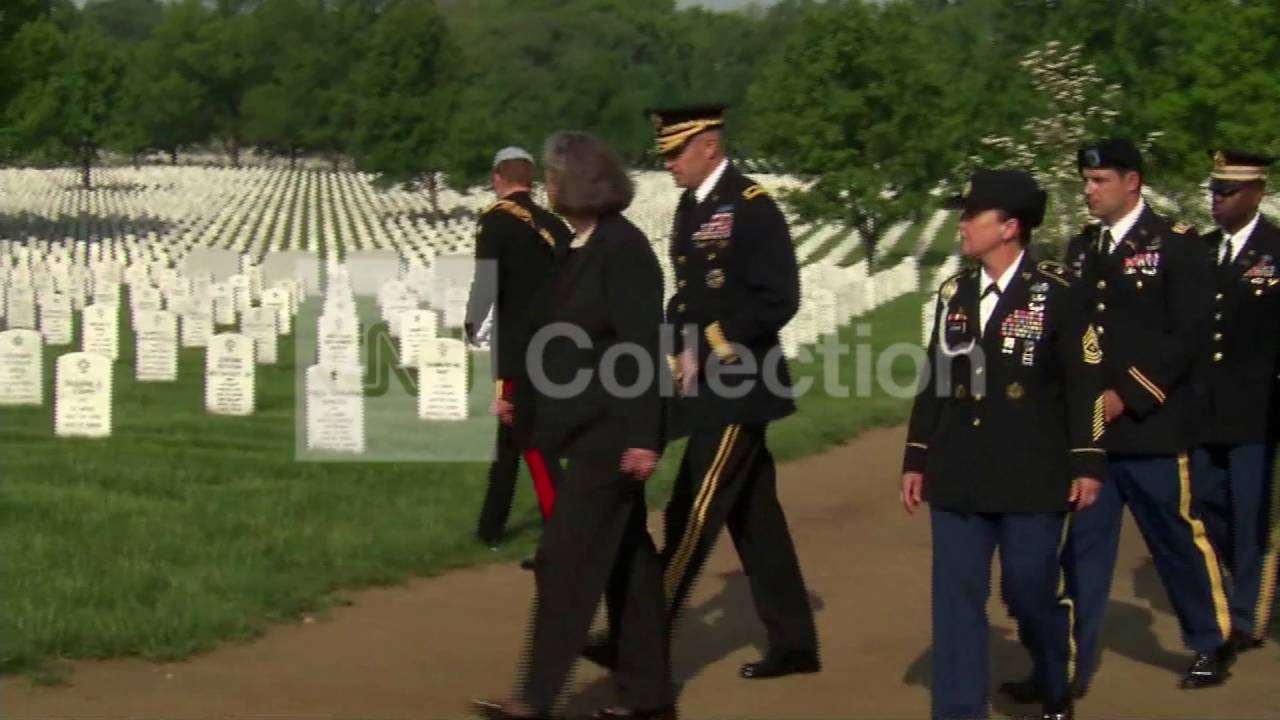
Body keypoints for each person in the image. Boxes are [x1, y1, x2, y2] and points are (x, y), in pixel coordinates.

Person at [585, 104, 819, 681]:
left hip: (741, 384)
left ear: (709, 146)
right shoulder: (693, 206)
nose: (668, 163)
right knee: (756, 521)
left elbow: (779, 297)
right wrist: (674, 345)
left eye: (675, 152)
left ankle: (635, 638)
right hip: (707, 384)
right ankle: (795, 643)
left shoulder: (752, 207)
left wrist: (711, 344)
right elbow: (689, 293)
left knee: (691, 513)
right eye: (665, 152)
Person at [1002, 139, 1232, 700]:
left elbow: (1189, 334)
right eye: (1086, 180)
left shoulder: (1175, 244)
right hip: (1094, 440)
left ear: (1132, 182)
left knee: (1176, 540)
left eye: (1100, 180)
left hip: (1153, 428)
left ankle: (1210, 641)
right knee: (1080, 555)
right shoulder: (1082, 248)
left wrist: (1127, 395)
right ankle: (1063, 668)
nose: (1089, 190)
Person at [472, 131, 674, 720]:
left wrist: (644, 436)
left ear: (580, 182)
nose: (548, 185)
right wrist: (518, 397)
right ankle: (651, 699)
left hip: (613, 431)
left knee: (562, 559)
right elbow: (552, 336)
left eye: (555, 176)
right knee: (628, 567)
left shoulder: (623, 250)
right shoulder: (579, 246)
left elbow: (641, 348)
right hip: (585, 425)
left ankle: (534, 699)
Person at [901, 168, 1103, 720]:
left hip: (1030, 474)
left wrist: (1087, 460)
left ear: (1010, 226)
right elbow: (936, 378)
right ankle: (958, 708)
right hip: (959, 471)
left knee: (1028, 588)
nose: (962, 224)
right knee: (956, 598)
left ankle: (1053, 677)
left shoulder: (1058, 292)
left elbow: (1085, 381)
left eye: (972, 215)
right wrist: (917, 456)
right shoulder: (955, 293)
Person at [1192, 149, 1280, 654]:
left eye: (1228, 191)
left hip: (1258, 410)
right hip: (1205, 410)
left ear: (1257, 193)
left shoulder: (1276, 250)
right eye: (1214, 190)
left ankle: (1249, 616)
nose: (1217, 200)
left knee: (1253, 515)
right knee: (1206, 503)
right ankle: (1247, 586)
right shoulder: (1201, 252)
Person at [466, 147, 572, 554]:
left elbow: (486, 281)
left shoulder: (496, 222)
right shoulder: (553, 225)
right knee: (511, 440)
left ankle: (562, 522)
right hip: (556, 344)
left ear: (498, 177)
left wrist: (473, 323)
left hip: (517, 347)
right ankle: (490, 527)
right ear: (530, 180)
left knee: (526, 434)